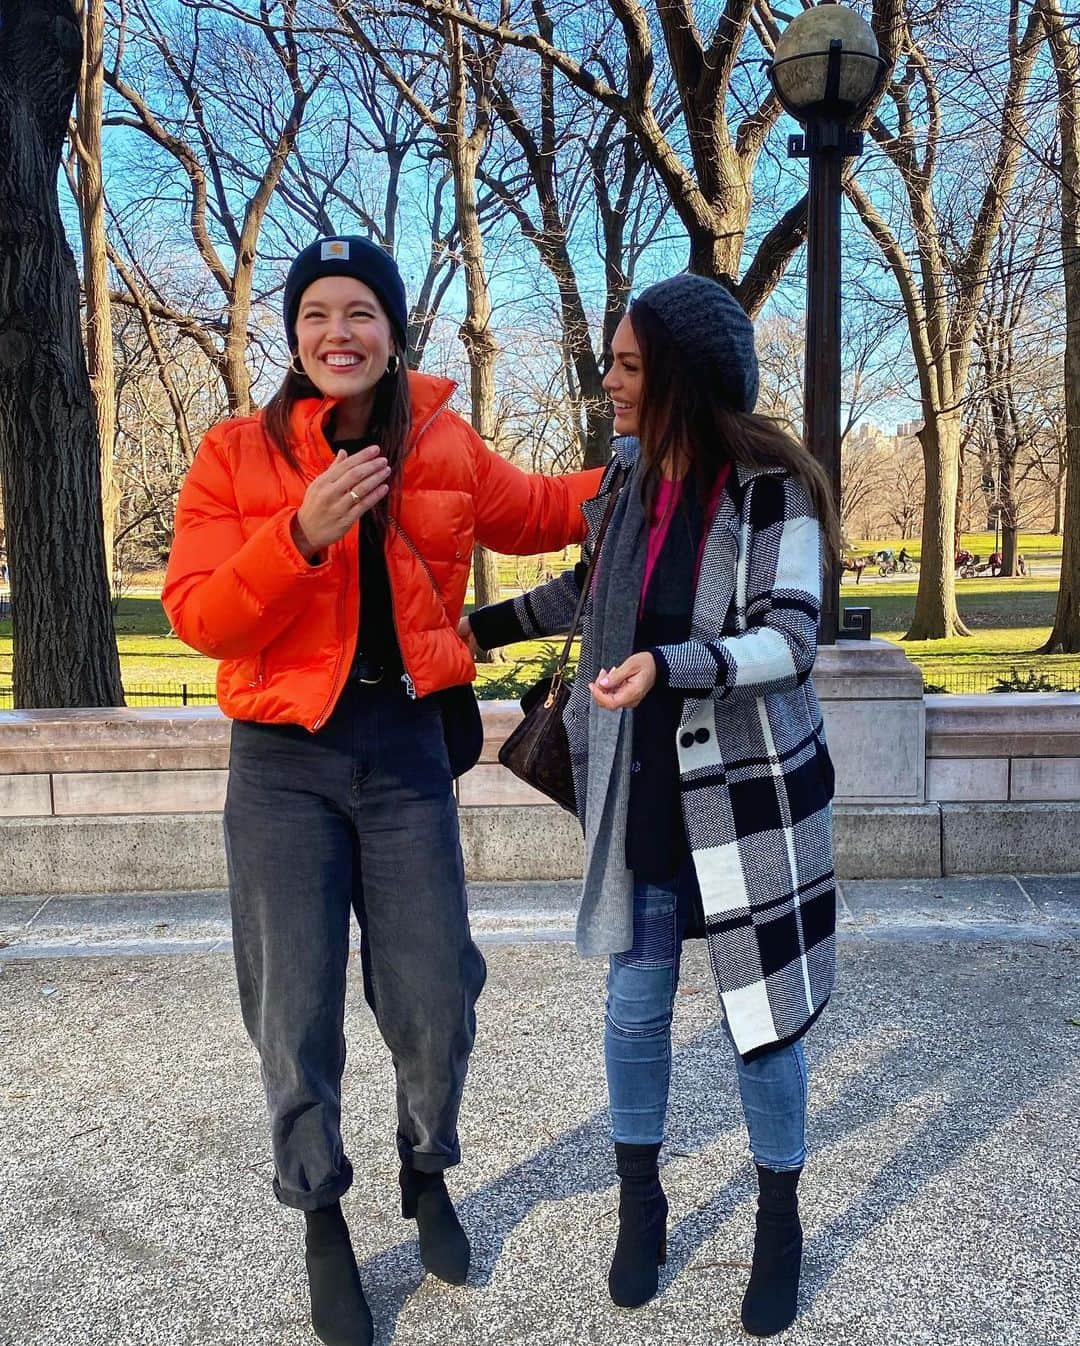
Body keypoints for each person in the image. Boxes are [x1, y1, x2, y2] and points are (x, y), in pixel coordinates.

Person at [163, 236, 602, 1346]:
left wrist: (679, 456)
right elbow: (201, 618)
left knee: (434, 989)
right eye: (316, 313)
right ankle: (321, 1213)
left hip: (406, 750)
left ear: (393, 330)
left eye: (360, 311)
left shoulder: (443, 440)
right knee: (293, 1003)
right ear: (295, 334)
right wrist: (300, 531)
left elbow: (551, 507)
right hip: (282, 764)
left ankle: (426, 1164)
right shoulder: (232, 456)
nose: (338, 332)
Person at [464, 275, 840, 1337]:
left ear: (679, 374)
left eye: (628, 365)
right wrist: (470, 635)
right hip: (644, 801)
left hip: (748, 806)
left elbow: (792, 637)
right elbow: (589, 593)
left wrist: (673, 662)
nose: (611, 382)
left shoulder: (773, 489)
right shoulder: (630, 476)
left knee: (761, 1028)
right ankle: (643, 1201)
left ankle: (778, 1219)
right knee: (633, 1010)